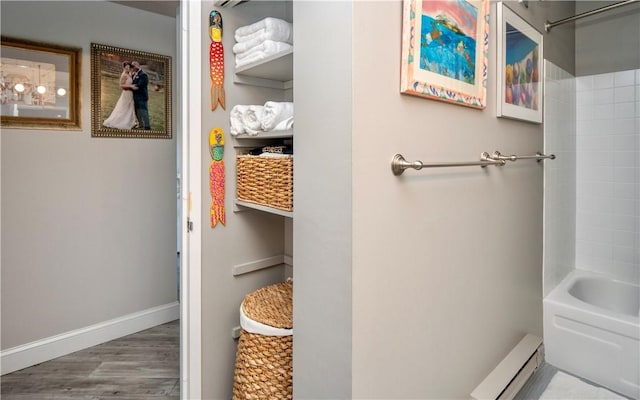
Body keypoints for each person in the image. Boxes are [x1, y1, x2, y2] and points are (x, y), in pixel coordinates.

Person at [103, 61, 137, 129]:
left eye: (128, 67)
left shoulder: (129, 73)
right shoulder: (124, 74)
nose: (127, 68)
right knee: (124, 107)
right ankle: (120, 121)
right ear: (124, 67)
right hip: (126, 93)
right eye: (126, 67)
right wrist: (131, 86)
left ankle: (129, 122)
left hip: (130, 93)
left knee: (129, 107)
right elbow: (121, 85)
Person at [130, 61, 150, 130]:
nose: (133, 67)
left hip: (142, 97)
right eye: (132, 66)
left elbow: (140, 85)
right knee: (137, 111)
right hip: (135, 97)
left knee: (143, 111)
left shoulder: (143, 74)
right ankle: (140, 124)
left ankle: (147, 126)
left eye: (134, 65)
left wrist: (130, 86)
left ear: (138, 65)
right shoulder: (133, 74)